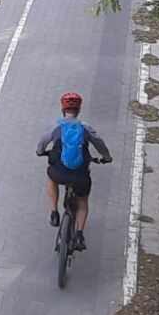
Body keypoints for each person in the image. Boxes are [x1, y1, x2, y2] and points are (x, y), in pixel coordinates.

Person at [36, 92, 113, 251]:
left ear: (62, 109)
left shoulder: (57, 127)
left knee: (51, 178)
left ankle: (54, 212)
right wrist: (106, 157)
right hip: (80, 176)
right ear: (79, 110)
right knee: (82, 202)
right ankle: (79, 235)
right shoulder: (85, 128)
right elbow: (100, 144)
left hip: (59, 172)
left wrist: (40, 152)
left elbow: (42, 142)